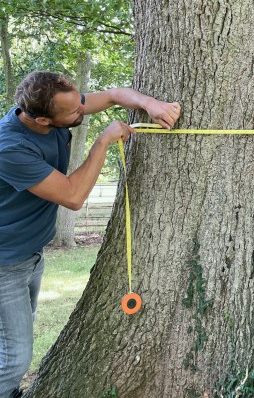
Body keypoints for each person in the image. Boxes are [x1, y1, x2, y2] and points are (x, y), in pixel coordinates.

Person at [0, 71, 181, 397]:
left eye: (79, 102)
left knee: (12, 339)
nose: (82, 110)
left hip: (29, 254)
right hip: (4, 263)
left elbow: (113, 95)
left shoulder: (60, 106)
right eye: (73, 112)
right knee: (15, 358)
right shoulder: (10, 148)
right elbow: (72, 195)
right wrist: (103, 141)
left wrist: (150, 104)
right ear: (42, 119)